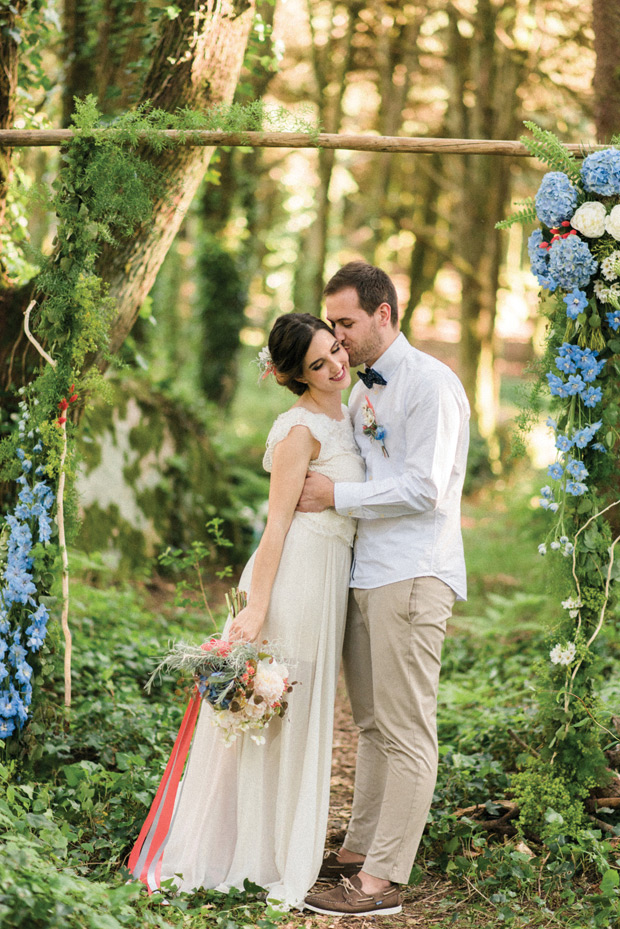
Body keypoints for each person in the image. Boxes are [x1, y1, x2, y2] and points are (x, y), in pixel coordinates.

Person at [129, 313, 365, 910]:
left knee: (302, 712)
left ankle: (279, 841)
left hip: (332, 576)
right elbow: (276, 524)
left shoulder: (354, 405)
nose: (336, 363)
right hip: (296, 579)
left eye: (336, 348)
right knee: (279, 715)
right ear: (291, 375)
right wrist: (257, 607)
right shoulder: (297, 429)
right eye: (318, 362)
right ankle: (256, 852)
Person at [299, 262, 470, 917]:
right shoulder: (363, 392)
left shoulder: (431, 384)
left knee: (405, 728)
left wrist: (336, 494)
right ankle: (356, 854)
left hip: (413, 574)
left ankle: (382, 880)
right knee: (370, 724)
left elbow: (427, 486)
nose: (337, 338)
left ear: (383, 314)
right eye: (332, 325)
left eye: (345, 323)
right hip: (366, 573)